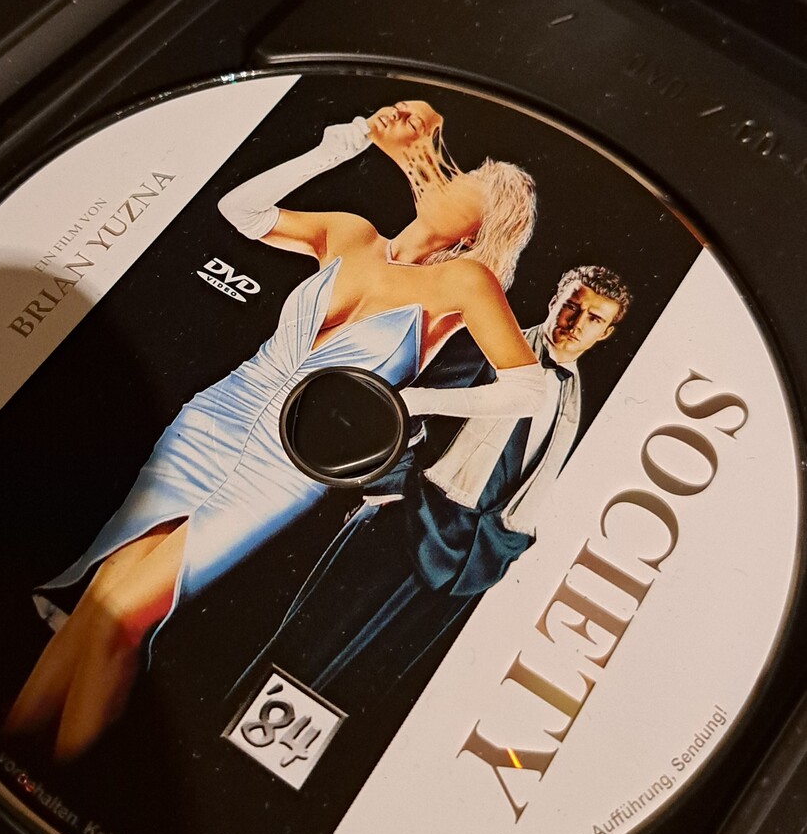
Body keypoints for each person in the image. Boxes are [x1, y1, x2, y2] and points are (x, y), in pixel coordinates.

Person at [6, 99, 543, 760]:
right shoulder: (351, 234)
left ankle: (68, 778)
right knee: (98, 596)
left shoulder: (463, 282)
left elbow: (528, 387)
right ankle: (10, 757)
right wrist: (341, 143)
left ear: (479, 225)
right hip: (216, 416)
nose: (450, 174)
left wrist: (405, 402)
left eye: (471, 182)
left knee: (124, 618)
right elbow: (242, 211)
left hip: (287, 462)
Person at [232, 265, 632, 701]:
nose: (576, 323)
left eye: (594, 318)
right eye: (572, 306)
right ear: (554, 301)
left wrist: (503, 548)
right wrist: (394, 493)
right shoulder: (487, 346)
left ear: (606, 332)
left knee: (362, 686)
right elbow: (396, 413)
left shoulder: (576, 399)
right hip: (405, 525)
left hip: (471, 563)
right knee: (305, 648)